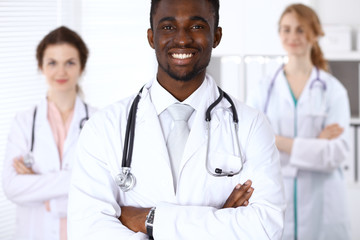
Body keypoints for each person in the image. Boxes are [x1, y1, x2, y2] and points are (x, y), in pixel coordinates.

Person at [68, 0, 285, 239]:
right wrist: (219, 219)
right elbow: (86, 229)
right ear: (152, 37)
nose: (182, 39)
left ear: (216, 36)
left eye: (197, 27)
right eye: (169, 27)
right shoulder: (103, 127)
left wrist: (149, 220)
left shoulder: (251, 125)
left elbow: (266, 226)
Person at [247, 3, 351, 240]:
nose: (292, 36)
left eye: (300, 30)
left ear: (314, 34)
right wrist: (314, 144)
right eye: (286, 29)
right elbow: (252, 147)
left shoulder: (333, 91)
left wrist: (278, 142)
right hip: (275, 200)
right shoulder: (263, 89)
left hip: (322, 204)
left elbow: (335, 153)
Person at [2, 26, 96, 240]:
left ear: (81, 66)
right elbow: (12, 187)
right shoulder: (24, 122)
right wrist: (77, 181)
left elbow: (107, 188)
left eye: (70, 62)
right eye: (52, 63)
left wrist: (41, 188)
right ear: (41, 66)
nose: (61, 72)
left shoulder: (99, 122)